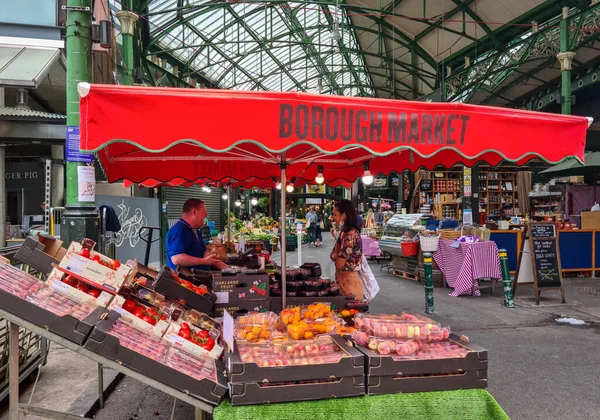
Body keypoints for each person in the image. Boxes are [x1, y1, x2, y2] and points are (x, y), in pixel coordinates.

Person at [166, 198, 227, 271]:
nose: (206, 214)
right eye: (204, 211)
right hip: (185, 281)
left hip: (200, 278)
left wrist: (228, 268)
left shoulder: (195, 230)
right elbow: (177, 258)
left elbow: (204, 256)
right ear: (194, 211)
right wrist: (204, 261)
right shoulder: (179, 231)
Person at [330, 200, 364, 300]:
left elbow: (339, 263)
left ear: (344, 216)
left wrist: (336, 255)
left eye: (335, 214)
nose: (333, 218)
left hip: (349, 283)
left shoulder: (350, 235)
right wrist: (336, 255)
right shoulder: (344, 233)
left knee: (349, 313)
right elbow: (332, 255)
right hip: (344, 280)